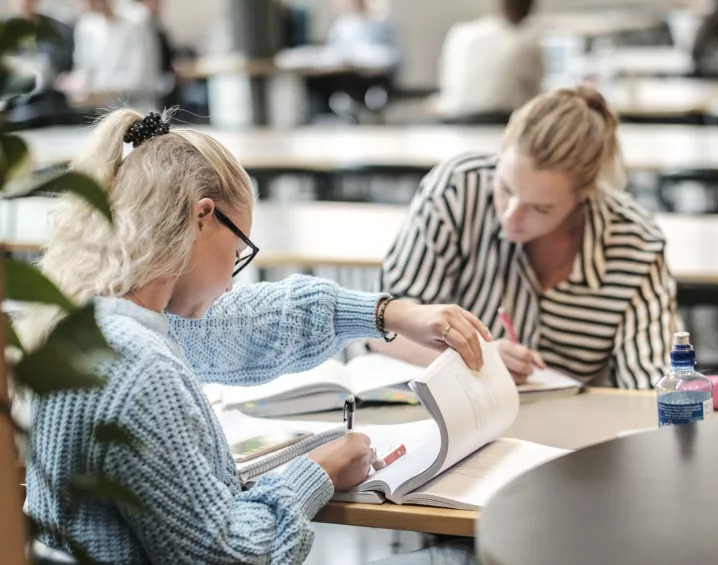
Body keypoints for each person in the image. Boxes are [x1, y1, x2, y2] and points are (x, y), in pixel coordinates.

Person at [22, 108, 486, 564]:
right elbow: (228, 556)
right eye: (238, 249)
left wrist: (386, 313)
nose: (231, 281)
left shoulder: (91, 320)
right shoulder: (142, 369)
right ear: (202, 217)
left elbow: (246, 323)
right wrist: (317, 472)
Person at [373, 88, 678, 390]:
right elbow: (384, 330)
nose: (510, 217)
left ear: (583, 196)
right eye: (505, 188)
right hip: (463, 418)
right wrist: (476, 358)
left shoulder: (633, 241)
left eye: (541, 208)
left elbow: (650, 383)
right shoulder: (457, 190)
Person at [436, 0, 545, 122]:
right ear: (529, 8)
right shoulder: (526, 43)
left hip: (453, 121)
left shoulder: (460, 34)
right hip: (501, 123)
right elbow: (535, 99)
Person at [57, 0, 161, 105]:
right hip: (98, 111)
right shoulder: (86, 24)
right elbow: (83, 69)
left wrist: (96, 90)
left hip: (136, 108)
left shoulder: (138, 19)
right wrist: (73, 83)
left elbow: (141, 81)